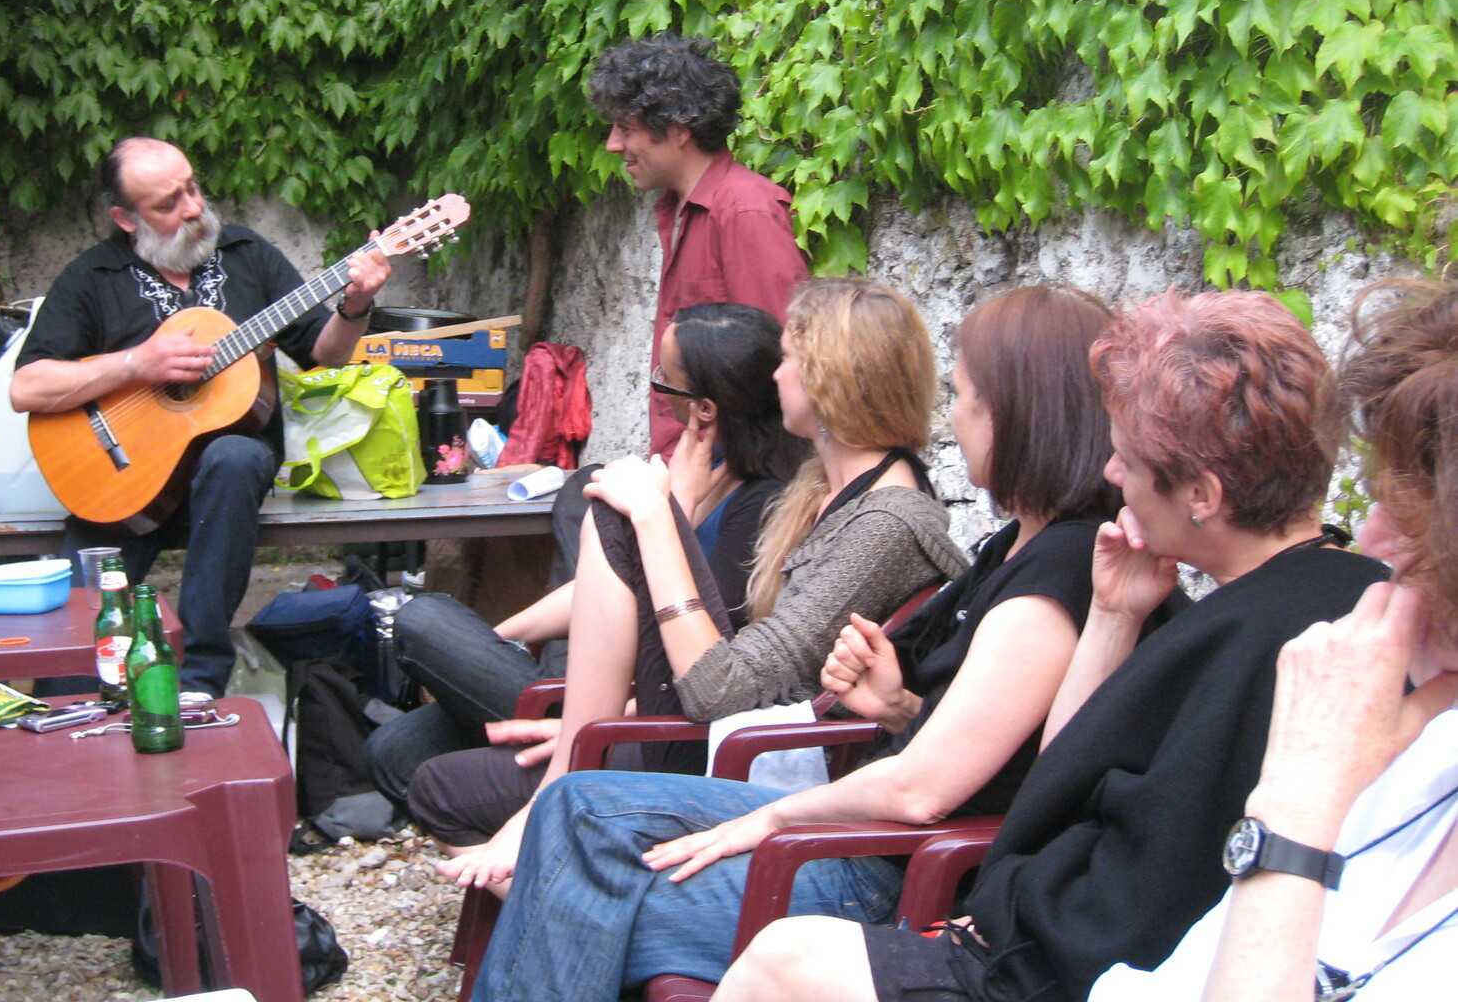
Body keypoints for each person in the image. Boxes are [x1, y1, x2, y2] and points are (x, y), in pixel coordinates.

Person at [705, 289, 1386, 1002]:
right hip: (1044, 941)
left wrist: (979, 938)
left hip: (1058, 968)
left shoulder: (1255, 637)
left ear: (1203, 496)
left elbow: (1139, 885)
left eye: (1127, 460)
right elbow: (1064, 782)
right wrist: (1114, 617)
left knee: (781, 961)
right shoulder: (1325, 599)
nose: (1111, 474)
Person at [464, 283, 1141, 1000]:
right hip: (857, 827)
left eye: (965, 397)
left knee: (563, 876)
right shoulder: (1013, 547)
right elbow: (996, 742)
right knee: (571, 812)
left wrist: (770, 819)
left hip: (881, 867)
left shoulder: (1049, 575)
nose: (951, 417)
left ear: (1018, 416)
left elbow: (920, 789)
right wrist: (900, 706)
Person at [433, 277, 968, 889]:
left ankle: (563, 801)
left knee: (616, 508)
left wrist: (658, 515)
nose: (775, 376)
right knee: (611, 495)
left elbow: (722, 690)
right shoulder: (823, 486)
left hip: (749, 757)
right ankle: (568, 826)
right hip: (731, 728)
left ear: (828, 381)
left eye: (788, 359)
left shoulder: (884, 524)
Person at [1089, 279, 1458, 1002]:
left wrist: (1295, 803)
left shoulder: (1307, 687)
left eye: (1416, 516)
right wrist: (1111, 616)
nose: (1373, 538)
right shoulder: (1424, 750)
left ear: (1203, 494)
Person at [363, 302, 806, 817]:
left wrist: (676, 513)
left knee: (421, 619)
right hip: (596, 682)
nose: (658, 391)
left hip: (648, 717)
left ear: (705, 409)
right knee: (394, 749)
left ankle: (557, 843)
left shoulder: (761, 504)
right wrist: (488, 646)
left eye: (663, 381)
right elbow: (606, 586)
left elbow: (698, 661)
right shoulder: (706, 462)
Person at [10, 136, 390, 699]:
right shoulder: (93, 278)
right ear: (125, 218)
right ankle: (68, 711)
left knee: (233, 456)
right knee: (73, 655)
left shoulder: (246, 255)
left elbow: (323, 352)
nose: (193, 207)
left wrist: (355, 306)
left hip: (229, 476)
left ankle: (198, 679)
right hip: (125, 475)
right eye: (168, 203)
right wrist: (136, 363)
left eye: (192, 188)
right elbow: (27, 386)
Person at [588, 34, 808, 455]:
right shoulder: (681, 209)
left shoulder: (745, 209)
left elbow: (782, 363)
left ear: (678, 131)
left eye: (627, 129)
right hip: (694, 464)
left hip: (735, 471)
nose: (613, 144)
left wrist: (728, 480)